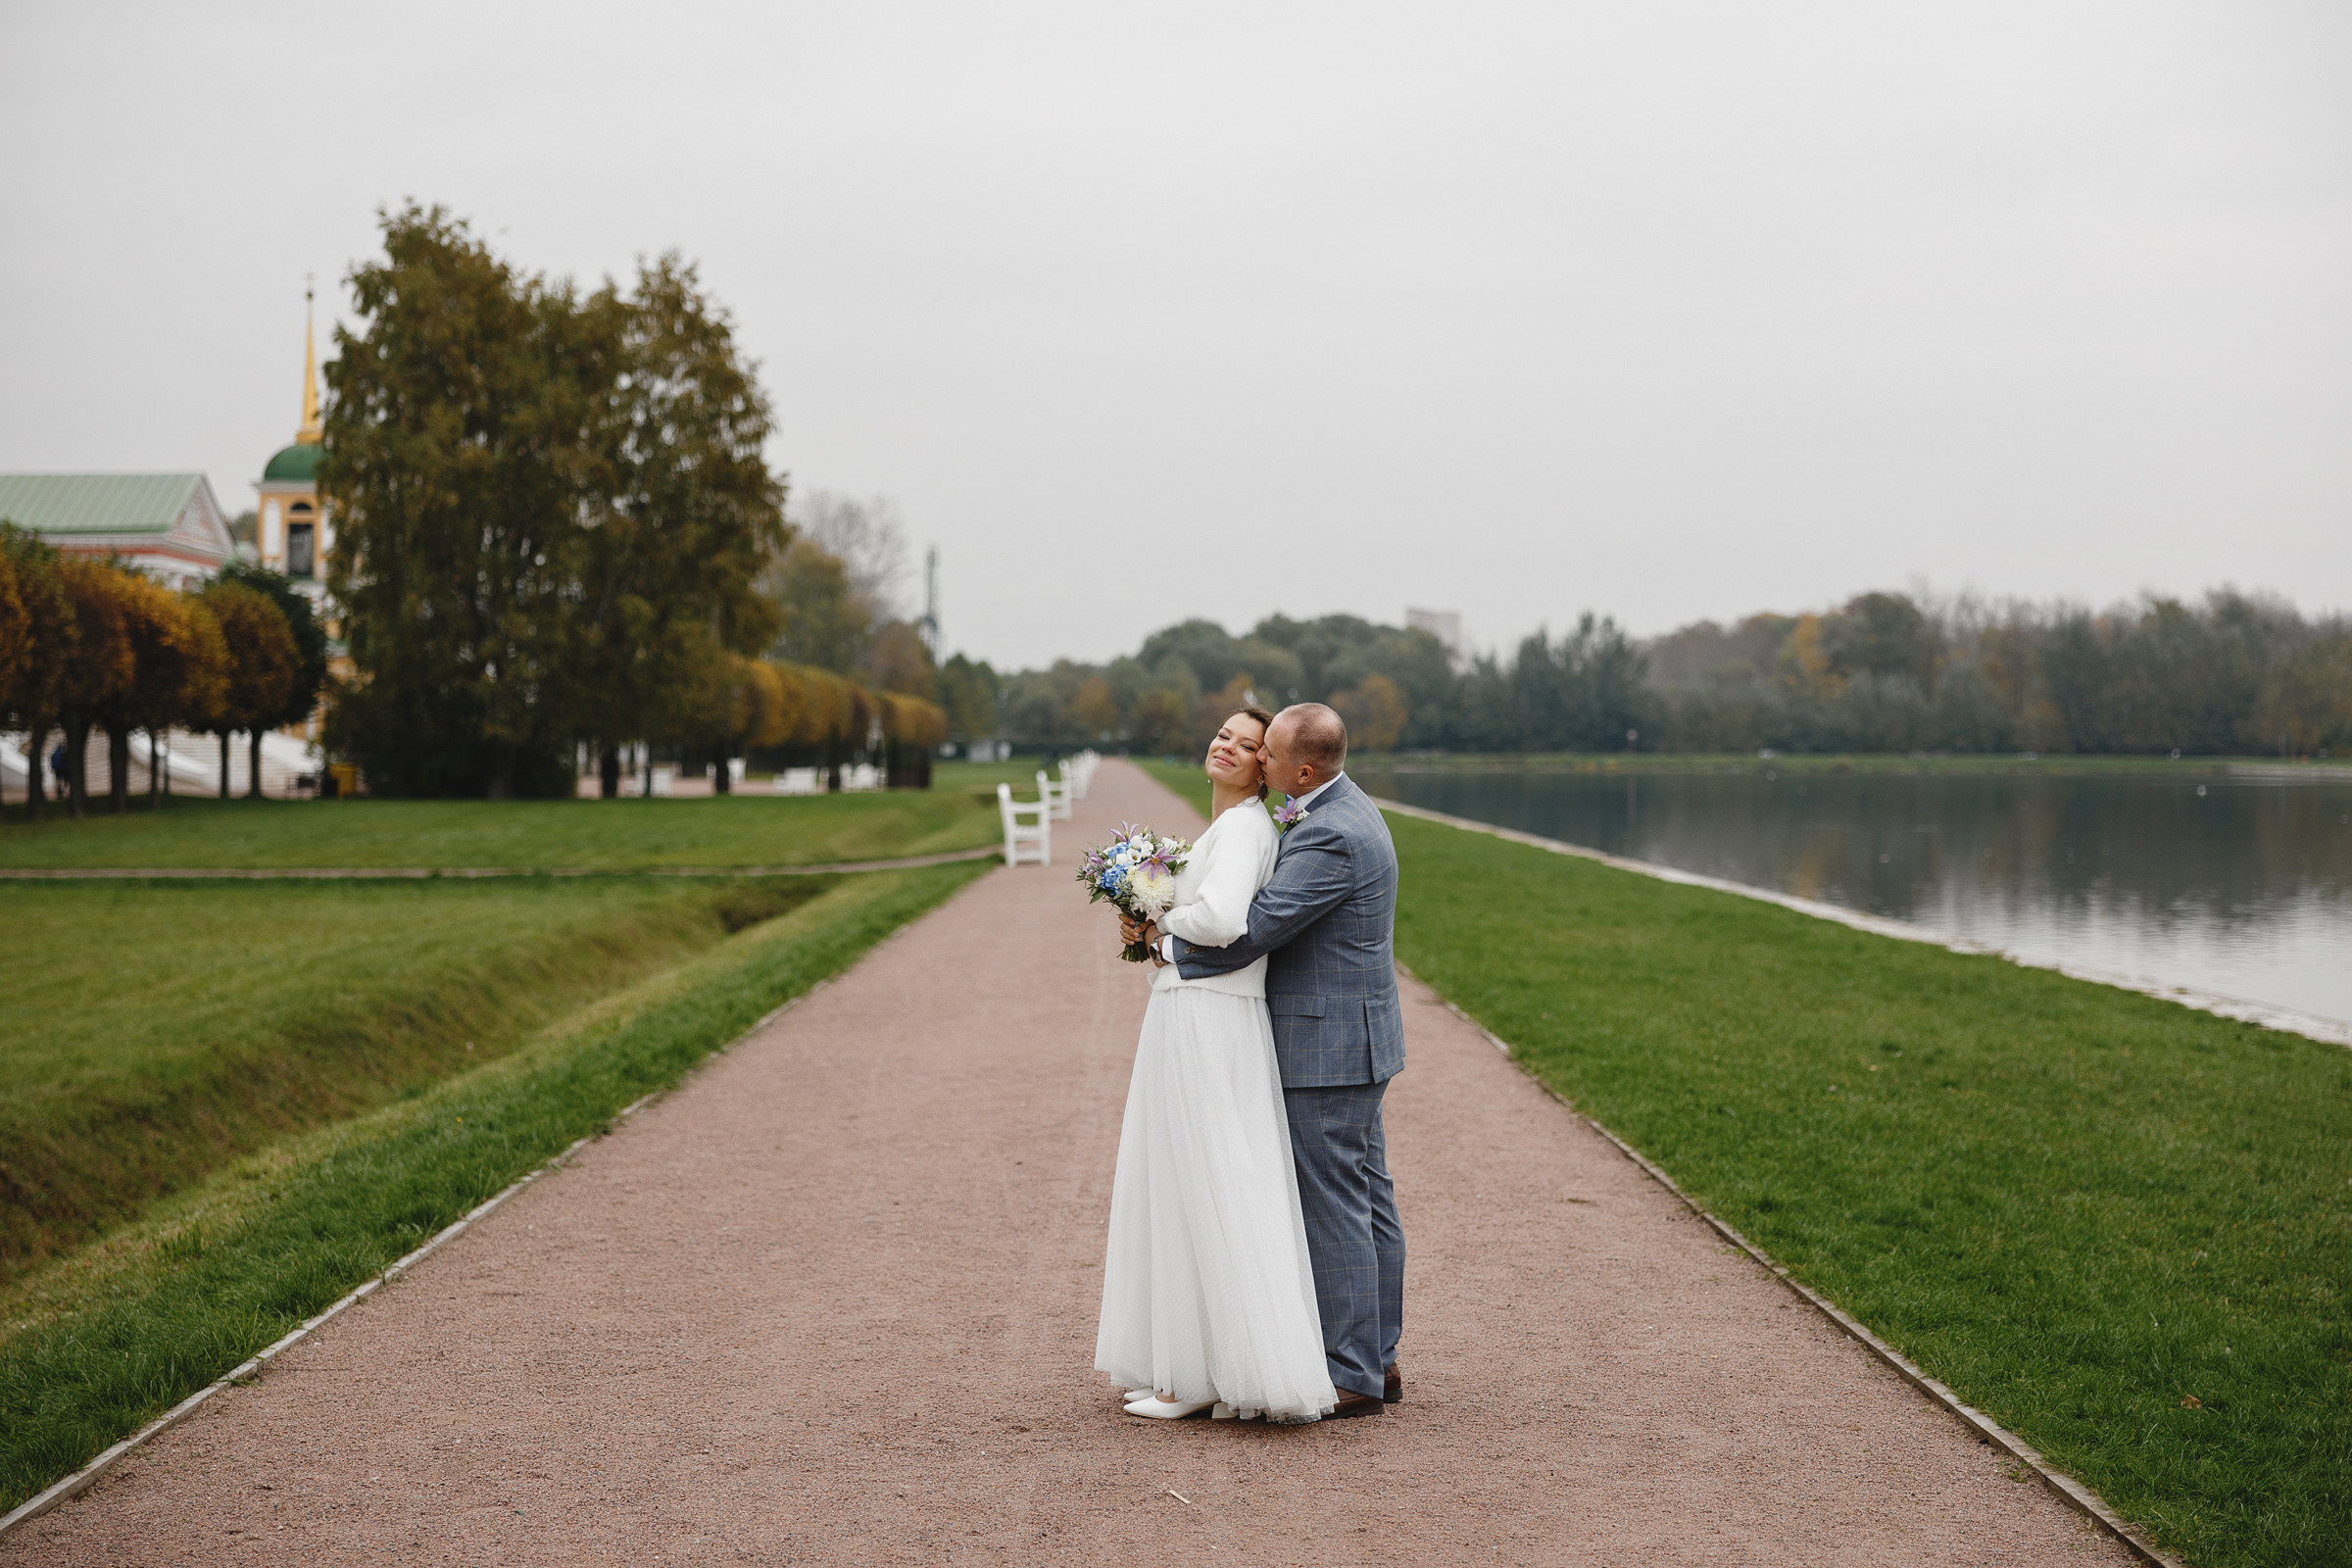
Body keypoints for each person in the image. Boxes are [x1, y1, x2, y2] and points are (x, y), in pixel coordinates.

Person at [1127, 702, 1406, 1421]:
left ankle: (1353, 1372)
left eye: (1269, 754)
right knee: (1367, 1197)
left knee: (1337, 1205)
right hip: (1353, 1037)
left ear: (1302, 771)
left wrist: (1162, 945)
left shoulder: (1331, 834)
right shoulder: (1339, 809)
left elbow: (1256, 929)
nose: (1258, 762)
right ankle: (1376, 1357)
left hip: (1328, 1046)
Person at [1095, 707, 1339, 1423]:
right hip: (1197, 1011)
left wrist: (1159, 924)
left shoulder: (1241, 830)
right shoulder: (1231, 827)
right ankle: (1195, 1364)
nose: (1228, 746)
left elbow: (1226, 921)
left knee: (1205, 1181)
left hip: (1208, 1017)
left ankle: (1198, 1377)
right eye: (1225, 734)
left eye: (1248, 744)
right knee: (1189, 1179)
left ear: (1266, 767)